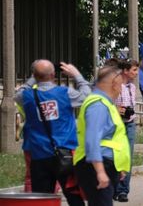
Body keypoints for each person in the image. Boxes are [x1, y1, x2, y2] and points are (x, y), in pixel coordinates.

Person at [18, 60, 89, 205]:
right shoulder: (65, 93)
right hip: (65, 153)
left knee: (43, 198)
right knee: (73, 195)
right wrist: (76, 75)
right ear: (53, 75)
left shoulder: (26, 96)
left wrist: (34, 77)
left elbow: (20, 91)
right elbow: (87, 96)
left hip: (39, 154)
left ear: (34, 76)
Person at [74, 64, 130, 206]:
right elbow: (92, 140)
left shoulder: (106, 103)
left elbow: (113, 139)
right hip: (96, 166)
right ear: (114, 84)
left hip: (105, 165)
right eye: (121, 84)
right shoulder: (98, 105)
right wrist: (100, 171)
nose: (121, 88)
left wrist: (119, 169)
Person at [113, 59, 139, 202]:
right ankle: (113, 188)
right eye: (134, 70)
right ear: (125, 70)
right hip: (116, 125)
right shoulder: (115, 85)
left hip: (130, 124)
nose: (136, 73)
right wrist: (118, 109)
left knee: (127, 157)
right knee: (115, 156)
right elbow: (108, 103)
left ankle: (123, 190)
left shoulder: (132, 87)